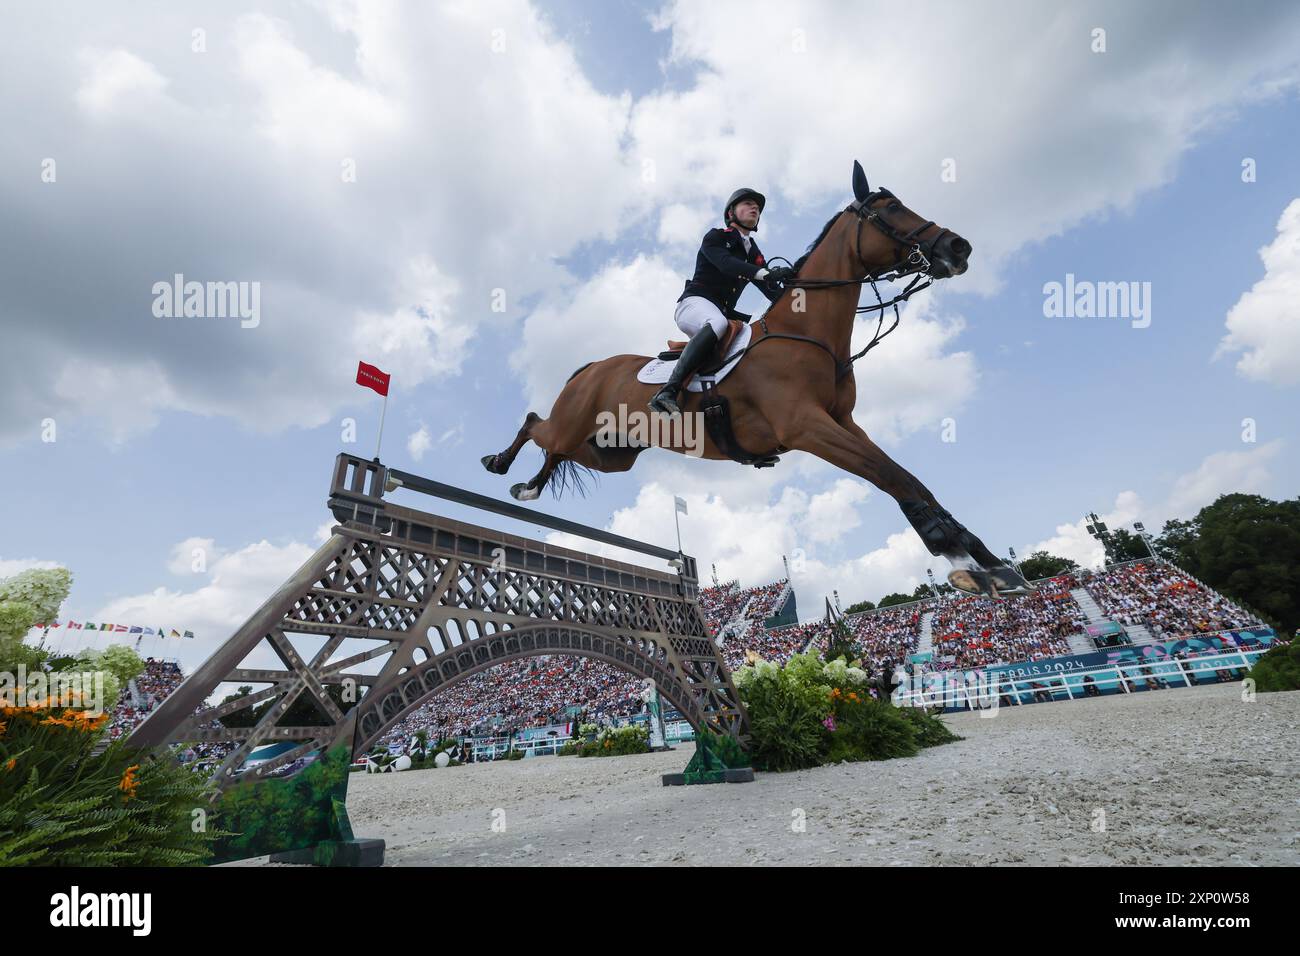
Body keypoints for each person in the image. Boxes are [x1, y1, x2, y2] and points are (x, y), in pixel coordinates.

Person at [648, 187, 794, 417]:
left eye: (757, 206)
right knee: (718, 323)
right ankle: (667, 392)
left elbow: (771, 290)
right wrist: (764, 273)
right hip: (694, 304)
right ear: (731, 213)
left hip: (721, 313)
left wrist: (797, 293)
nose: (754, 207)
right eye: (747, 203)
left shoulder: (753, 252)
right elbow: (727, 264)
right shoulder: (716, 237)